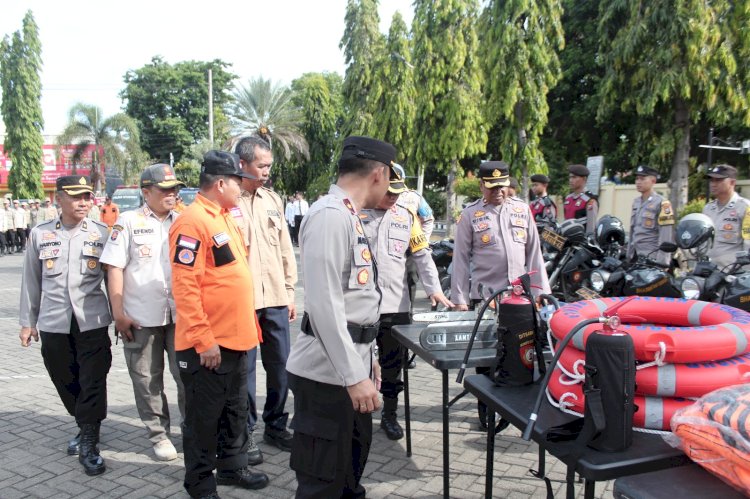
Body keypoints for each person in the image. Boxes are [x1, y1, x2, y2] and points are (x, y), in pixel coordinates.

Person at [286, 135, 396, 498]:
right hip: (327, 378)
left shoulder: (348, 214)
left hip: (351, 370)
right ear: (379, 173)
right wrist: (353, 376)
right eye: (390, 178)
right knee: (323, 486)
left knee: (349, 481)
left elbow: (359, 302)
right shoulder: (330, 216)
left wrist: (371, 360)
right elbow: (324, 306)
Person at [171, 150, 268, 498]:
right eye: (238, 182)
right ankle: (200, 483)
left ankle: (231, 466)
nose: (243, 187)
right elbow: (185, 286)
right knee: (203, 420)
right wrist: (203, 340)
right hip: (210, 344)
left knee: (234, 411)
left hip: (237, 339)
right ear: (221, 182)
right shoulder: (192, 221)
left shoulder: (224, 216)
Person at [19, 175, 112, 476]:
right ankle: (83, 421)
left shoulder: (101, 233)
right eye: (76, 196)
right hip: (54, 320)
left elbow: (114, 280)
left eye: (87, 196)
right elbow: (30, 282)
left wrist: (122, 315)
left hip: (92, 319)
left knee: (93, 379)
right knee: (63, 376)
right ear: (59, 198)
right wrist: (27, 322)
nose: (84, 201)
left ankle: (89, 440)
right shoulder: (40, 234)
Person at [450, 161, 551, 428]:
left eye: (503, 186)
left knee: (518, 352)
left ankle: (511, 404)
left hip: (518, 299)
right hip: (487, 299)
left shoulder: (521, 209)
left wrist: (539, 292)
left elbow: (534, 253)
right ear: (482, 185)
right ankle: (487, 405)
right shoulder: (470, 215)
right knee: (488, 356)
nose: (498, 192)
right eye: (492, 187)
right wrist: (459, 299)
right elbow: (460, 260)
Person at [100, 163, 187, 462]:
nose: (171, 194)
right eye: (164, 190)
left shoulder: (184, 220)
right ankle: (158, 434)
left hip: (181, 315)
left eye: (174, 189)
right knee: (147, 380)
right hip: (139, 316)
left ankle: (191, 430)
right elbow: (114, 267)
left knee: (186, 377)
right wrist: (118, 313)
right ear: (146, 192)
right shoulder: (128, 221)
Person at [359, 171, 453, 440]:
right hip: (360, 305)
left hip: (395, 304)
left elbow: (422, 255)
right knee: (358, 361)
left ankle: (390, 414)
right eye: (389, 192)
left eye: (398, 192)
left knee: (392, 363)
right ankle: (357, 412)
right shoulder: (355, 213)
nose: (394, 197)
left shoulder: (406, 216)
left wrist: (433, 288)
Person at [233, 136, 297, 464]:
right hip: (242, 302)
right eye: (262, 166)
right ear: (242, 164)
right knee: (245, 372)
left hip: (273, 296)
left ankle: (275, 424)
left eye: (269, 165)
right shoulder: (228, 201)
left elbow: (285, 248)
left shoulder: (273, 199)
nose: (267, 172)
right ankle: (246, 433)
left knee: (281, 365)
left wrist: (289, 292)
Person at [703, 164, 750, 268]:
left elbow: (748, 244)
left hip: (732, 274)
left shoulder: (745, 207)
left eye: (718, 180)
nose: (713, 184)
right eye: (711, 180)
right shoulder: (708, 208)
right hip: (708, 271)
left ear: (732, 182)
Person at [627, 165, 675, 265]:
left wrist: (663, 262)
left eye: (642, 178)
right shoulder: (636, 202)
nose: (638, 182)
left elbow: (666, 235)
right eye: (637, 178)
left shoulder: (663, 203)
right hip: (635, 256)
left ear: (653, 181)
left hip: (651, 258)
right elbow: (633, 231)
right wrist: (628, 255)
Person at [563, 164, 598, 234]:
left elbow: (591, 228)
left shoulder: (589, 200)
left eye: (574, 177)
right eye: (570, 177)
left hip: (580, 241)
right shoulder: (568, 198)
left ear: (584, 179)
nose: (570, 180)